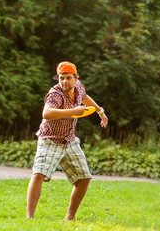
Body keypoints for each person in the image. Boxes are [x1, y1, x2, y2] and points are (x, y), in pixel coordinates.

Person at [26, 61, 108, 220]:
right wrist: (73, 111)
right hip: (50, 139)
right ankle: (30, 219)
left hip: (69, 140)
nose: (64, 81)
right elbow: (47, 113)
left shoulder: (79, 87)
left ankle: (70, 217)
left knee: (84, 177)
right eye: (61, 78)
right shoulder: (55, 94)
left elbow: (85, 97)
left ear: (76, 78)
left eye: (68, 78)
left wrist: (100, 111)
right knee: (39, 174)